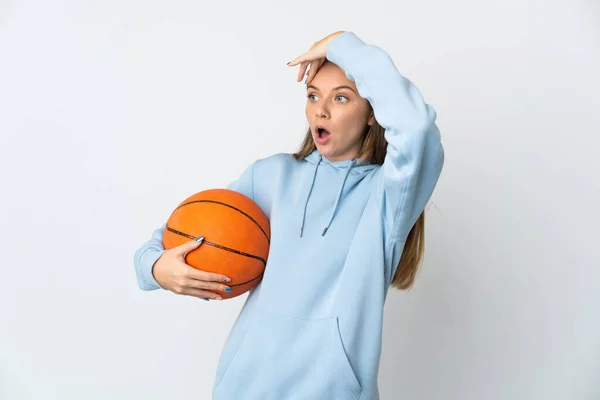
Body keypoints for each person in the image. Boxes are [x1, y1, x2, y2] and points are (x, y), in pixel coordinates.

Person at [133, 30, 444, 400]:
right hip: (241, 387)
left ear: (373, 114)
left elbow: (416, 127)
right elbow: (170, 237)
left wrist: (342, 44)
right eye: (313, 96)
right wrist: (155, 269)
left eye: (341, 98)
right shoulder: (269, 177)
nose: (321, 110)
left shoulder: (388, 195)